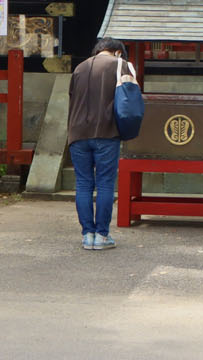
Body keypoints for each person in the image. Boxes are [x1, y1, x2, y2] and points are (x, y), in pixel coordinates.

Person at [67, 36, 131, 250]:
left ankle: (87, 235)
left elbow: (71, 97)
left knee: (83, 183)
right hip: (106, 131)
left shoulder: (79, 67)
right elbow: (130, 99)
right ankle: (102, 235)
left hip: (77, 132)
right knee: (104, 183)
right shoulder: (120, 65)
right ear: (118, 52)